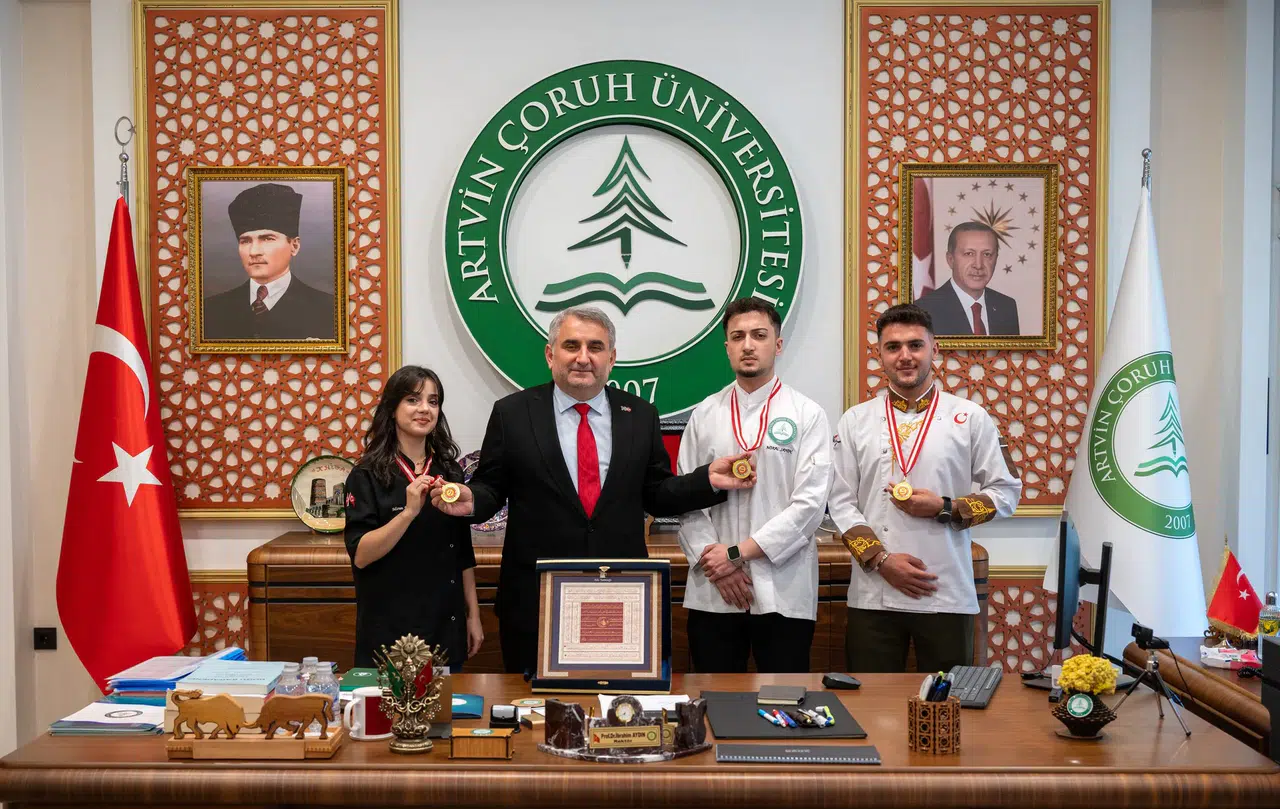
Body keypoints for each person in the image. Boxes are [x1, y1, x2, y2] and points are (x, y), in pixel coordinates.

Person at [430, 305, 756, 675]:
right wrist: (471, 500)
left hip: (620, 596)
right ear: (550, 354)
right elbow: (491, 487)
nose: (583, 358)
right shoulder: (513, 413)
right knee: (533, 716)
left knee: (618, 708)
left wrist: (707, 480)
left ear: (612, 358)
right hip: (537, 599)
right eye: (572, 345)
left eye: (595, 347)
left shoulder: (641, 414)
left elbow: (657, 493)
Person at [827, 303, 1021, 672]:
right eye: (893, 346)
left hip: (945, 591)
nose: (905, 356)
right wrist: (881, 561)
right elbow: (839, 504)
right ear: (879, 355)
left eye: (915, 345)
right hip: (874, 594)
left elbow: (1006, 493)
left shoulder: (970, 418)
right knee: (871, 707)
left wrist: (945, 507)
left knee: (949, 709)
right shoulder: (855, 421)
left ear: (935, 349)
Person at [676, 298, 832, 673]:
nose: (748, 345)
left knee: (783, 705)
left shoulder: (807, 414)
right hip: (715, 591)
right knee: (712, 704)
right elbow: (685, 497)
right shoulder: (705, 413)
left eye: (759, 335)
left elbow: (810, 505)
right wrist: (719, 563)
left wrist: (737, 554)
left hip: (782, 587)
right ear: (726, 347)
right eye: (738, 336)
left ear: (777, 344)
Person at [343, 365, 483, 670]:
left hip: (445, 628)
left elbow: (462, 553)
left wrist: (473, 616)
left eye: (433, 402)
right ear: (392, 408)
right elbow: (362, 555)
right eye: (413, 400)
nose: (424, 409)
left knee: (445, 715)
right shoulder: (365, 475)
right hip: (389, 633)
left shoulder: (449, 472)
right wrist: (408, 513)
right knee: (389, 716)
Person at [202, 182, 337, 341]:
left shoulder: (329, 310)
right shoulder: (210, 310)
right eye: (245, 241)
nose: (254, 252)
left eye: (267, 239)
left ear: (294, 246)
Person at [913, 222, 1020, 336]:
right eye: (969, 254)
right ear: (950, 260)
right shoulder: (923, 311)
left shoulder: (1006, 306)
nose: (978, 265)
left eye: (987, 254)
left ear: (996, 259)